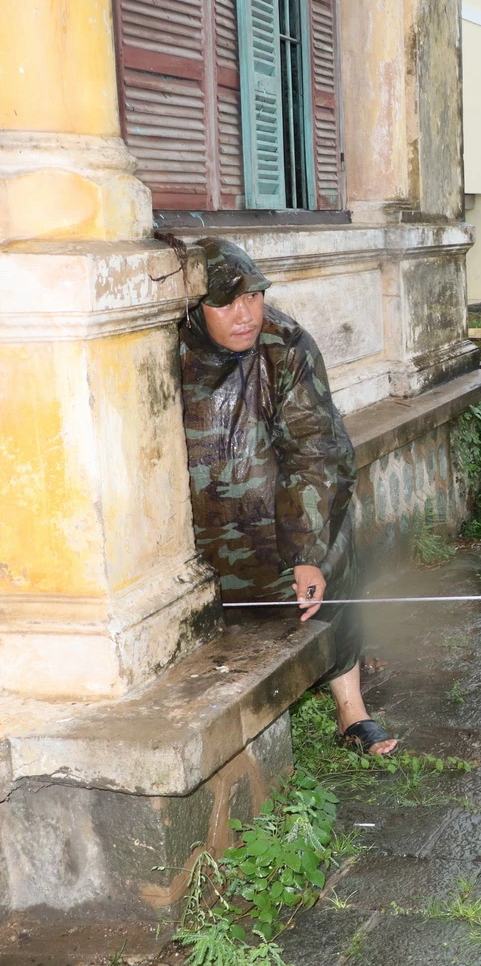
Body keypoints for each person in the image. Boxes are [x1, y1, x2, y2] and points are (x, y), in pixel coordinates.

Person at [179, 237, 398, 755]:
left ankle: (351, 709)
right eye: (226, 302)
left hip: (280, 527)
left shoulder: (285, 345)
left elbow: (316, 452)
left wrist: (305, 553)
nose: (245, 314)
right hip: (197, 537)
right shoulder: (161, 350)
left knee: (335, 551)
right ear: (194, 307)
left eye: (253, 297)